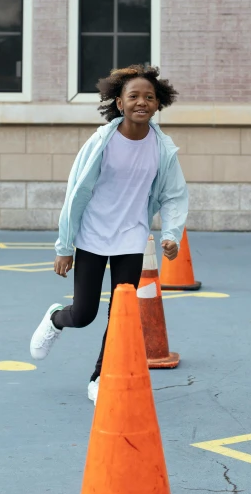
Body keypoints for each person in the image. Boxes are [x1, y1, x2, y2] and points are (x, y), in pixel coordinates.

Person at [29, 65, 188, 404]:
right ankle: (57, 318)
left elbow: (173, 195)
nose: (141, 102)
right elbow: (76, 192)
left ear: (158, 104)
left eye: (149, 97)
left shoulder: (163, 150)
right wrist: (64, 246)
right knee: (84, 314)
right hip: (93, 236)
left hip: (131, 238)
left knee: (121, 315)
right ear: (119, 102)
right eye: (133, 96)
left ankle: (101, 375)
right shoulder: (101, 142)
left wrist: (171, 234)